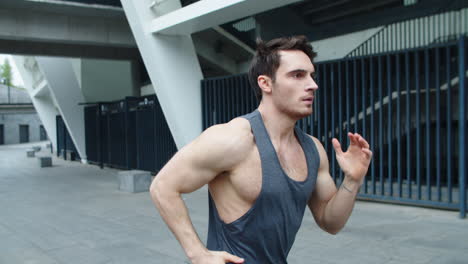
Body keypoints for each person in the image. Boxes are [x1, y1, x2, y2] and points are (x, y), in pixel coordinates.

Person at [150, 35, 372, 264]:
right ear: (265, 83)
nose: (312, 85)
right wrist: (198, 253)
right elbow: (162, 186)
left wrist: (352, 180)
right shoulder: (233, 138)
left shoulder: (313, 149)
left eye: (311, 76)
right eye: (297, 75)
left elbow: (330, 223)